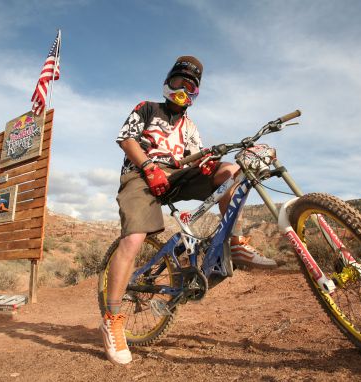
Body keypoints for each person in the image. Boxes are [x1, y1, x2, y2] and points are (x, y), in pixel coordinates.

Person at [101, 56, 277, 365]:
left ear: (194, 95)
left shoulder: (190, 127)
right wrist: (147, 165)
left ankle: (233, 243)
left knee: (229, 171)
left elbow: (194, 158)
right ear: (167, 83)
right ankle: (112, 318)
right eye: (177, 83)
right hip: (140, 175)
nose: (182, 91)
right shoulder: (146, 108)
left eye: (189, 87)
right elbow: (126, 139)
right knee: (133, 239)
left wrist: (204, 163)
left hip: (176, 176)